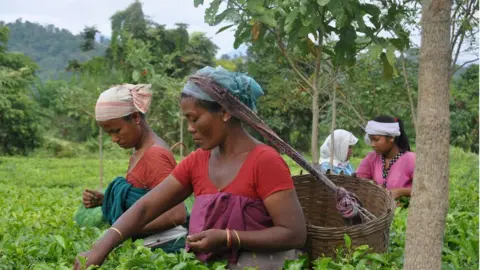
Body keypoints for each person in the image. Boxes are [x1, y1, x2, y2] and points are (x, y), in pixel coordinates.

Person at [74, 67, 307, 270]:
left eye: (194, 119)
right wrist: (99, 249)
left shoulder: (265, 161)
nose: (191, 128)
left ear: (225, 112)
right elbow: (146, 208)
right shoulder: (198, 161)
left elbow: (294, 233)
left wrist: (229, 237)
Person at [75, 84, 187, 251]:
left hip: (162, 244)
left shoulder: (154, 155)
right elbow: (146, 197)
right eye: (109, 134)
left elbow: (176, 214)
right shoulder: (139, 151)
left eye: (117, 130)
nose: (114, 139)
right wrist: (105, 199)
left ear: (135, 117)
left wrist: (122, 230)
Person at [356, 116, 415, 199]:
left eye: (376, 140)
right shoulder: (371, 158)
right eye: (371, 140)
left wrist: (401, 192)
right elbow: (359, 181)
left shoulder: (411, 159)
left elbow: (425, 189)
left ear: (391, 138)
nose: (372, 144)